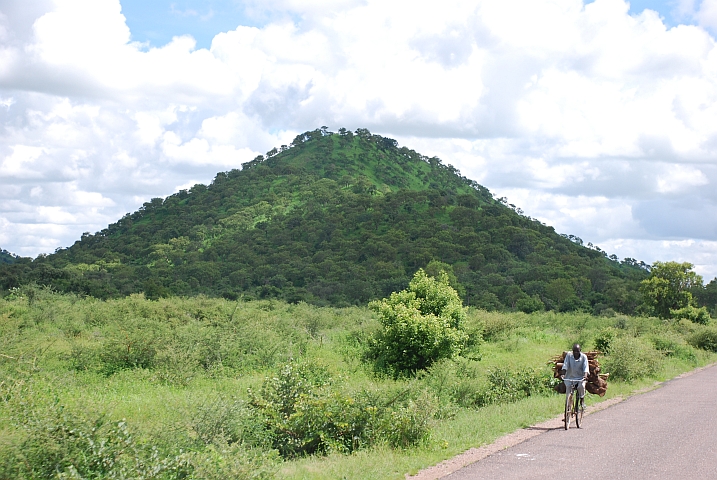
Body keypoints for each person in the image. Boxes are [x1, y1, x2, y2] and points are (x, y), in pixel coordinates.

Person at [560, 343, 589, 409]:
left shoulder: (584, 357)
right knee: (568, 388)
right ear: (572, 351)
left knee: (581, 386)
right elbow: (565, 366)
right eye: (574, 351)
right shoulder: (569, 355)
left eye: (577, 351)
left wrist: (585, 376)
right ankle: (568, 408)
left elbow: (586, 368)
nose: (576, 353)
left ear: (580, 350)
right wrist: (563, 374)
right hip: (569, 377)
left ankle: (582, 400)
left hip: (580, 378)